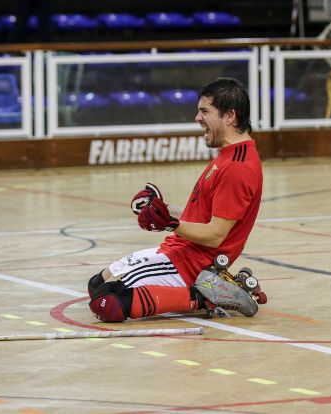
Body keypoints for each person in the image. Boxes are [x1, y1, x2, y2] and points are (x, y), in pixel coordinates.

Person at [87, 77, 264, 322]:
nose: (197, 118)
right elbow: (201, 217)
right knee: (95, 285)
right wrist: (162, 208)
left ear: (229, 116)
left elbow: (215, 235)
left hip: (189, 263)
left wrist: (170, 223)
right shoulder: (229, 155)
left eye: (204, 111)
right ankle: (216, 286)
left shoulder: (237, 166)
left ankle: (204, 296)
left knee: (106, 303)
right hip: (178, 252)